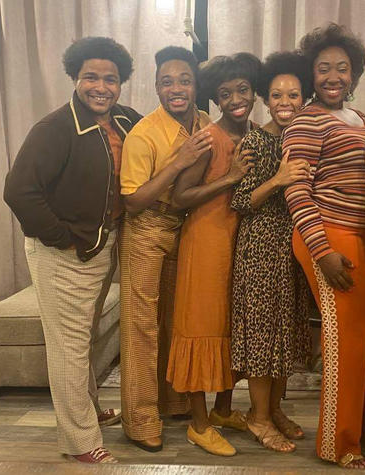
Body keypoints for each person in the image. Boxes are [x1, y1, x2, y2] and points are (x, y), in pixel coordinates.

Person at [4, 37, 141, 464]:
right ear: (75, 78)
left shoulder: (123, 120)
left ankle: (87, 410)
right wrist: (62, 238)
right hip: (64, 253)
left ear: (122, 84)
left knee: (86, 335)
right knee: (67, 344)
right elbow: (20, 192)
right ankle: (80, 441)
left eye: (111, 79)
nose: (101, 87)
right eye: (91, 77)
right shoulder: (55, 127)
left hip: (102, 245)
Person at [283, 23, 365, 469]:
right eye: (323, 68)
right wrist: (321, 248)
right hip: (328, 234)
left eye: (342, 69)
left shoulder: (362, 120)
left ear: (354, 74)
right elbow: (296, 190)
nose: (333, 76)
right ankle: (339, 443)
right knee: (346, 341)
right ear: (312, 74)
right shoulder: (305, 121)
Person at [166, 53, 260, 457]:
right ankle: (198, 424)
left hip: (239, 243)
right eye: (225, 94)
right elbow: (179, 197)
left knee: (228, 328)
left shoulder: (256, 132)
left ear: (254, 91)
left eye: (242, 90)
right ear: (216, 99)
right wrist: (231, 177)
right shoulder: (207, 139)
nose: (236, 99)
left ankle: (223, 410)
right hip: (205, 243)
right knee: (200, 327)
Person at [119, 46, 212, 452]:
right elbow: (133, 201)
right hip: (145, 229)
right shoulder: (145, 134)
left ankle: (172, 402)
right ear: (156, 87)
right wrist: (176, 163)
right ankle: (139, 420)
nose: (176, 89)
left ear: (195, 86)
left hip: (185, 228)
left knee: (175, 320)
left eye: (184, 80)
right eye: (167, 82)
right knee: (142, 327)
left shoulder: (206, 124)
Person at [230, 50, 313, 454]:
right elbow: (240, 202)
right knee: (262, 339)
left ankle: (274, 409)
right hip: (260, 252)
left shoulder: (303, 137)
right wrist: (279, 178)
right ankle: (258, 417)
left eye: (293, 95)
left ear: (304, 98)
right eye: (277, 95)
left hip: (292, 252)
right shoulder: (256, 140)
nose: (285, 103)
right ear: (266, 98)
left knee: (284, 337)